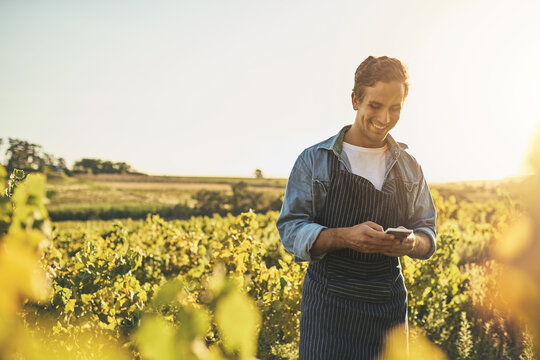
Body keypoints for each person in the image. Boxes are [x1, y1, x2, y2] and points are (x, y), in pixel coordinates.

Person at [276, 56, 437, 360]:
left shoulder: (409, 167)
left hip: (387, 307)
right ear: (355, 100)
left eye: (395, 108)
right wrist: (343, 237)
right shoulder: (315, 161)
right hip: (329, 308)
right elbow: (290, 229)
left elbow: (427, 231)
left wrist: (413, 243)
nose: (385, 118)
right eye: (375, 105)